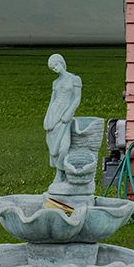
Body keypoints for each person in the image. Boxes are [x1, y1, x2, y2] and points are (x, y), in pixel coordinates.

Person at [43, 54, 83, 182]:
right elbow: (52, 101)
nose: (55, 68)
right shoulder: (55, 82)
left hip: (65, 114)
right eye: (52, 68)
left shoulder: (75, 79)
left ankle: (60, 172)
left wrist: (69, 113)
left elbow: (77, 98)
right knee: (53, 147)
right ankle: (60, 173)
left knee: (64, 147)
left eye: (56, 65)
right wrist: (47, 117)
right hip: (54, 113)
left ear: (62, 63)